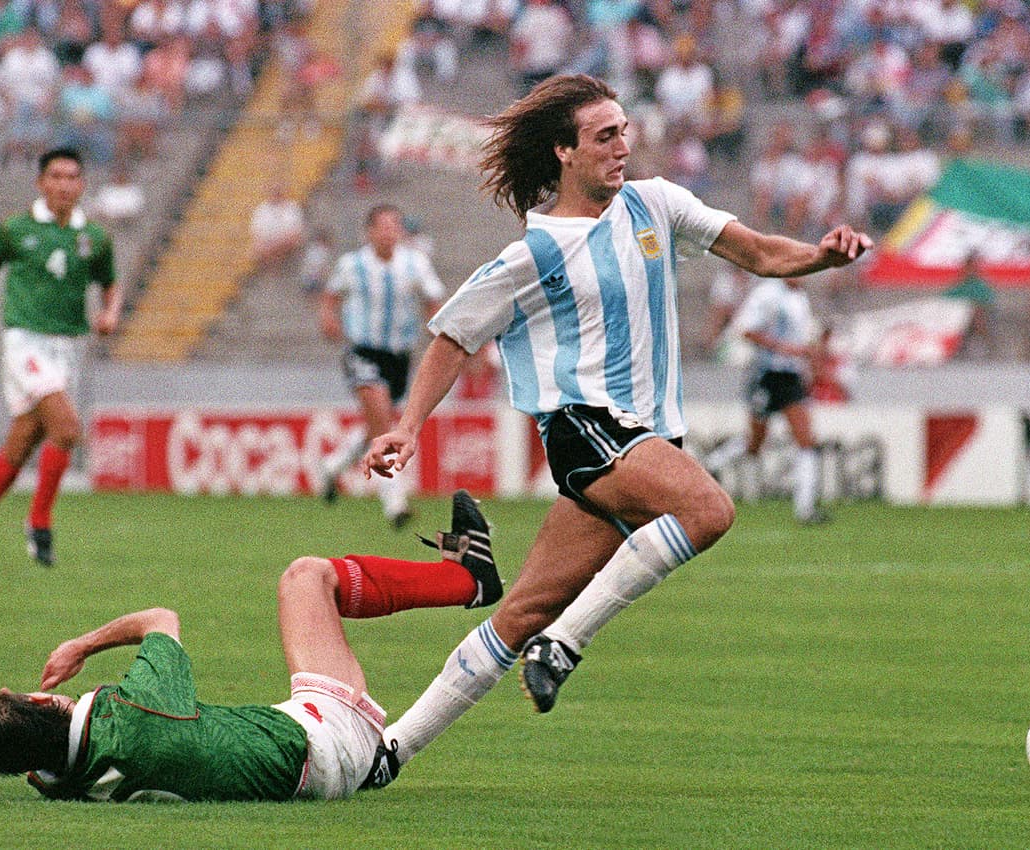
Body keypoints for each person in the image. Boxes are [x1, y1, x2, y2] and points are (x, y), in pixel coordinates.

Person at [358, 75, 869, 783]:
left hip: (643, 438)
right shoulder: (533, 253)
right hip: (585, 427)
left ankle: (388, 753)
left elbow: (757, 252)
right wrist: (407, 427)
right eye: (605, 136)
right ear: (565, 151)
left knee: (520, 613)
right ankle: (563, 647)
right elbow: (452, 337)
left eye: (625, 130)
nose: (623, 146)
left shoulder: (655, 204)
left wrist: (820, 256)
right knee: (708, 509)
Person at [0, 492, 502, 801]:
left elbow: (33, 759)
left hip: (306, 774)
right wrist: (83, 645)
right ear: (41, 701)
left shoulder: (68, 780)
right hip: (323, 740)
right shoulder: (130, 712)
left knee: (306, 718)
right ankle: (469, 581)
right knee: (304, 578)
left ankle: (378, 761)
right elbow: (161, 619)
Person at [0, 147, 121, 569]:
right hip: (24, 342)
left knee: (24, 441)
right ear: (41, 183)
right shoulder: (16, 229)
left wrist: (110, 312)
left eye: (72, 177)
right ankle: (40, 523)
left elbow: (110, 283)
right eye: (56, 177)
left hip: (67, 347)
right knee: (66, 426)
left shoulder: (94, 237)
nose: (64, 185)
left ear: (82, 184)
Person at [317, 205, 445, 527]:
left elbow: (434, 299)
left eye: (395, 226)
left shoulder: (415, 263)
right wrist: (329, 318)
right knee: (385, 427)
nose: (390, 232)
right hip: (363, 353)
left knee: (380, 424)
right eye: (383, 226)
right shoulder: (352, 264)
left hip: (399, 358)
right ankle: (395, 503)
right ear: (370, 231)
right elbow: (330, 295)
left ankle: (333, 466)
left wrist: (440, 329)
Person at [705, 277, 829, 523]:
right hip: (766, 374)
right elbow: (746, 329)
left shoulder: (800, 297)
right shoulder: (768, 293)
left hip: (790, 377)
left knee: (806, 439)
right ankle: (713, 463)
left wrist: (810, 362)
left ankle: (805, 509)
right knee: (755, 444)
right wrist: (782, 348)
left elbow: (803, 342)